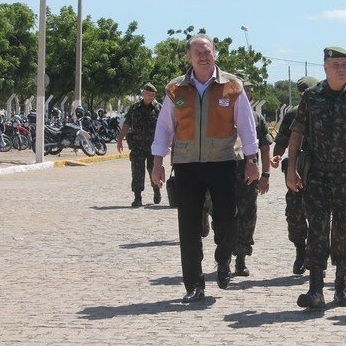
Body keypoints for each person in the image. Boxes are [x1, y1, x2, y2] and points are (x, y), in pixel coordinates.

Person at [151, 34, 259, 303]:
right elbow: (165, 128)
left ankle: (223, 260)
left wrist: (252, 159)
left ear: (215, 54)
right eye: (197, 52)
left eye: (207, 51)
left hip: (222, 163)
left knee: (227, 219)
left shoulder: (232, 86)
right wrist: (157, 162)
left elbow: (246, 125)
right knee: (188, 227)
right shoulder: (175, 89)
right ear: (189, 57)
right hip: (187, 166)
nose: (202, 56)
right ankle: (194, 285)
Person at [286, 46, 346, 309]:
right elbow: (297, 132)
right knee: (317, 229)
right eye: (336, 64)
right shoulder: (312, 96)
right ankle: (316, 289)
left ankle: (341, 287)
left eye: (345, 65)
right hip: (317, 175)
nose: (341, 68)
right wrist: (291, 166)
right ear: (325, 67)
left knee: (343, 228)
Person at [271, 76, 319, 275]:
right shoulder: (292, 113)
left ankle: (316, 257)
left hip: (319, 170)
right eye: (303, 95)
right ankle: (300, 251)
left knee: (320, 216)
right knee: (295, 213)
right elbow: (282, 138)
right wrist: (277, 155)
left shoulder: (324, 110)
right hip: (297, 170)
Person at [230, 79, 273, 277]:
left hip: (248, 173)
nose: (247, 94)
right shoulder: (222, 115)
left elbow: (265, 148)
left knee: (247, 215)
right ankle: (224, 254)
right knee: (223, 215)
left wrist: (265, 175)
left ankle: (240, 258)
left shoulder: (256, 118)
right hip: (224, 172)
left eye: (248, 90)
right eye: (243, 90)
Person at [117, 83, 162, 207]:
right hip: (137, 145)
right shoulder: (134, 108)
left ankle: (156, 190)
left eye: (153, 94)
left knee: (153, 169)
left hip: (154, 146)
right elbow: (127, 124)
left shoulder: (159, 108)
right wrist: (120, 139)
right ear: (143, 94)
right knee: (137, 171)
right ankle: (137, 197)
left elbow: (165, 126)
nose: (151, 96)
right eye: (148, 94)